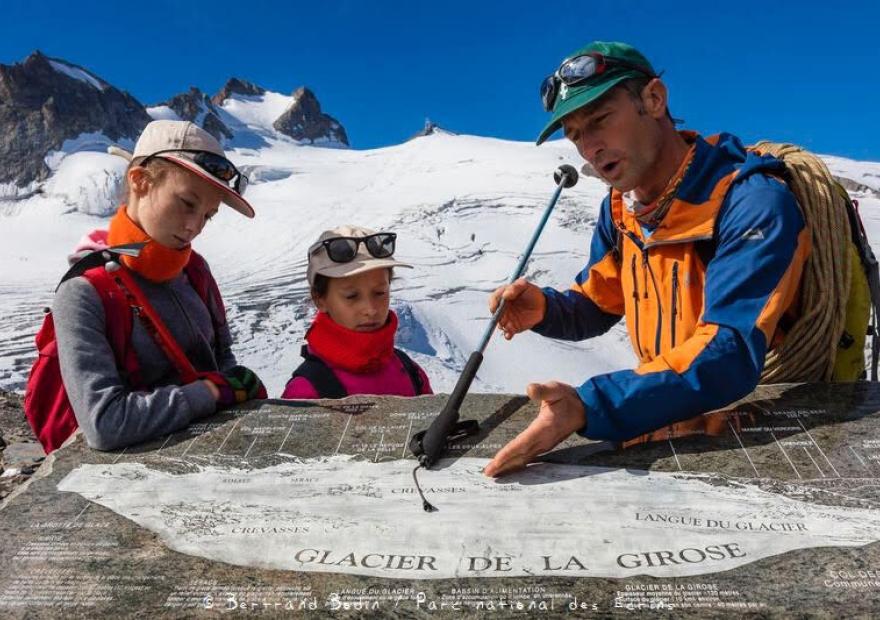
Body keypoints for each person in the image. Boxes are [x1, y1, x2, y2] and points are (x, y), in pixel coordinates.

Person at [484, 41, 809, 477]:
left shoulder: (752, 202)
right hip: (667, 416)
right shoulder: (621, 211)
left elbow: (729, 350)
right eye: (576, 134)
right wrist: (544, 309)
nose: (590, 147)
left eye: (600, 120)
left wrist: (589, 407)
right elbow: (598, 303)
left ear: (654, 99)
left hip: (763, 425)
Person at [53, 120, 267, 451]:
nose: (195, 227)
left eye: (208, 215)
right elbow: (104, 423)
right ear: (139, 181)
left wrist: (230, 384)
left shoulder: (195, 269)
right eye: (187, 203)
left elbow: (221, 359)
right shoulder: (83, 292)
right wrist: (209, 393)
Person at [281, 225, 433, 399]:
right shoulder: (305, 393)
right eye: (351, 296)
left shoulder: (411, 371)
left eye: (380, 293)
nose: (370, 309)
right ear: (319, 299)